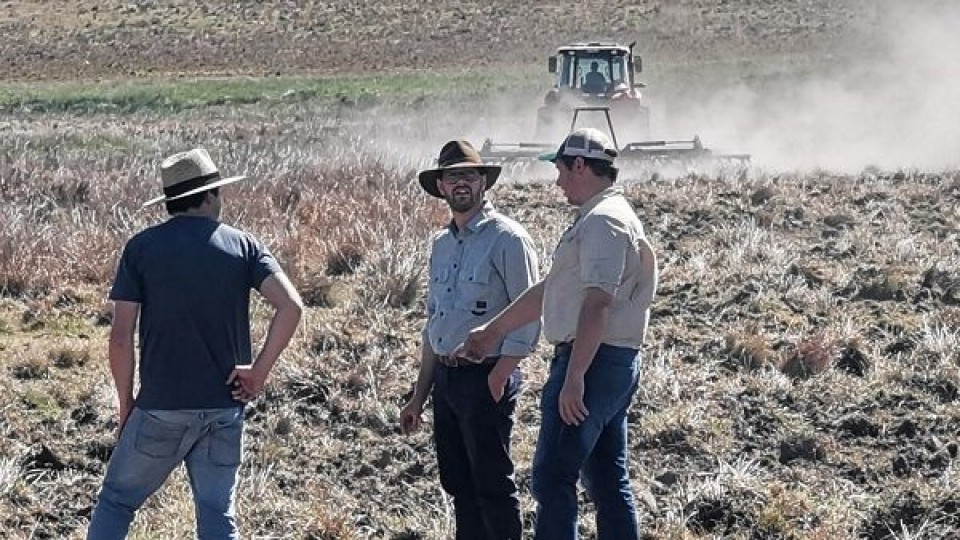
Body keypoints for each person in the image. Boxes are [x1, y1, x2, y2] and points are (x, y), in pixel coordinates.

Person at [87, 148, 303, 539]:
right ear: (208, 197)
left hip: (159, 408)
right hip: (223, 407)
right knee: (217, 515)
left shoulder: (141, 249)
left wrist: (126, 405)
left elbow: (120, 338)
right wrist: (258, 373)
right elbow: (291, 306)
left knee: (117, 501)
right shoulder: (244, 245)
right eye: (218, 192)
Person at [458, 128, 658, 540]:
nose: (558, 180)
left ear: (581, 165)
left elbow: (597, 304)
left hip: (593, 361)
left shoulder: (604, 222)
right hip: (611, 361)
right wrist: (493, 331)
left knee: (552, 476)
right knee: (605, 476)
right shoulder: (606, 216)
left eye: (562, 169)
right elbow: (555, 289)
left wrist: (574, 379)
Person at [399, 140, 540, 540]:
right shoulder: (441, 245)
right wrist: (419, 394)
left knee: (493, 485)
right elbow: (434, 326)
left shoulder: (508, 238)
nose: (460, 183)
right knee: (459, 484)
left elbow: (530, 311)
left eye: (468, 175)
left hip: (486, 377)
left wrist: (501, 374)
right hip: (447, 381)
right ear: (440, 186)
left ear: (483, 183)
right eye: (451, 176)